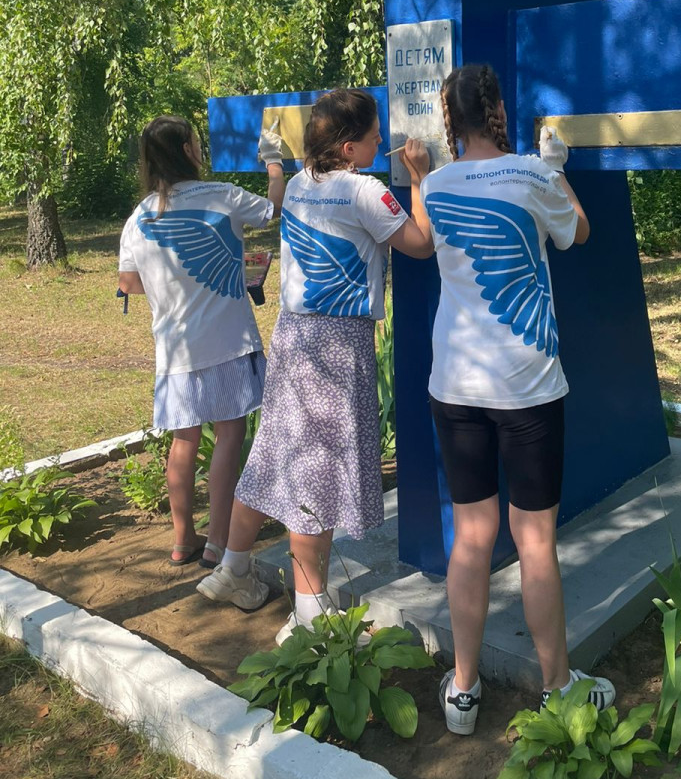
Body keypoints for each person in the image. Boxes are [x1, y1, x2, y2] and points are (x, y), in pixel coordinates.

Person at [403, 62, 616, 735]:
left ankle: (462, 690)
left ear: (448, 120)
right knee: (536, 542)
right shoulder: (530, 174)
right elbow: (577, 233)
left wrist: (416, 177)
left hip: (455, 389)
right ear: (497, 108)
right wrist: (557, 167)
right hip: (526, 388)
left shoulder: (436, 183)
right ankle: (557, 688)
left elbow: (427, 237)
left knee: (472, 537)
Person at [197, 88, 433, 643]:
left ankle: (233, 567)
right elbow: (420, 244)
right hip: (337, 345)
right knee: (317, 471)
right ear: (350, 146)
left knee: (276, 453)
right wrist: (420, 178)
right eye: (375, 134)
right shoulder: (365, 191)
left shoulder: (302, 184)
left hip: (294, 333)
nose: (384, 140)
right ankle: (310, 611)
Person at [118, 113, 285, 569]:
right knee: (229, 435)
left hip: (173, 349)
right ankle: (218, 541)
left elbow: (128, 282)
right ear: (189, 151)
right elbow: (274, 210)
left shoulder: (139, 217)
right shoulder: (222, 196)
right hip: (228, 341)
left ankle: (182, 538)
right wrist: (274, 164)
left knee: (183, 441)